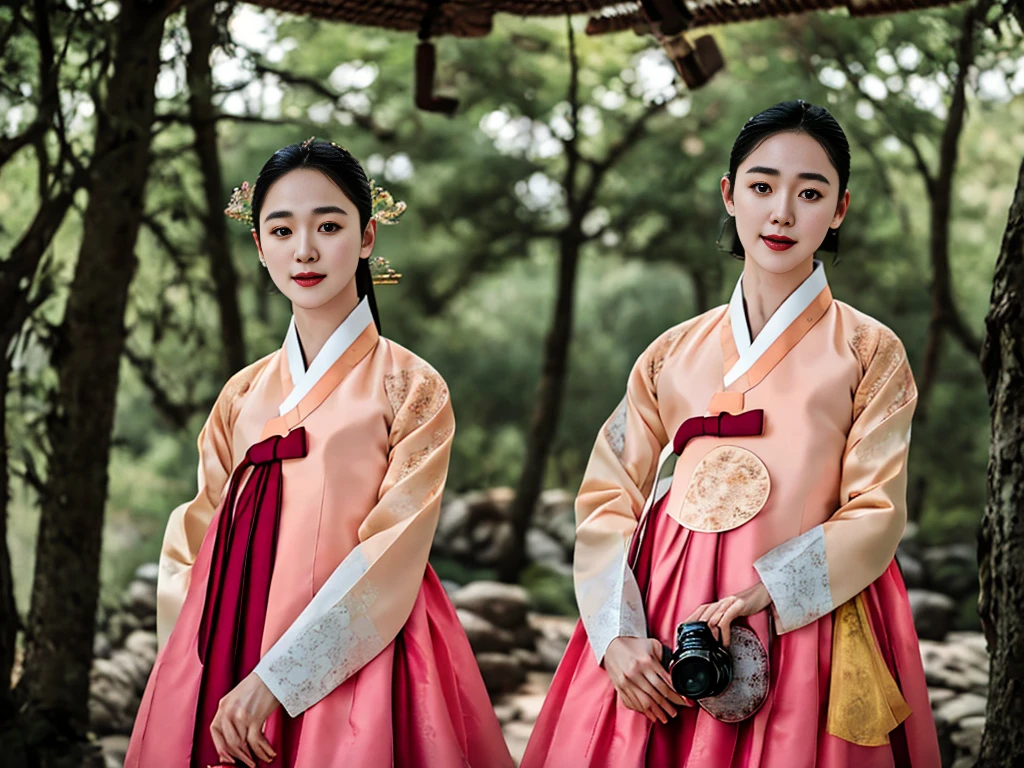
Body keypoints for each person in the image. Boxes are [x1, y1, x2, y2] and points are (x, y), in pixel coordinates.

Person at [521, 100, 941, 767]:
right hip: (669, 619)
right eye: (762, 185)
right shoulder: (669, 354)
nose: (781, 213)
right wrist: (617, 637)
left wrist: (763, 594)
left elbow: (877, 509)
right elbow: (607, 501)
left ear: (839, 209)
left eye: (810, 193)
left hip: (804, 614)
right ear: (729, 194)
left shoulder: (868, 351)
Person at [125, 138, 513, 768]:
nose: (304, 250)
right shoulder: (243, 394)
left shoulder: (410, 387)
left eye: (329, 226)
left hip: (360, 655)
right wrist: (196, 656)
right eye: (281, 230)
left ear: (366, 238)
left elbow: (393, 550)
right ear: (259, 247)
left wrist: (282, 678)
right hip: (223, 644)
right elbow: (194, 535)